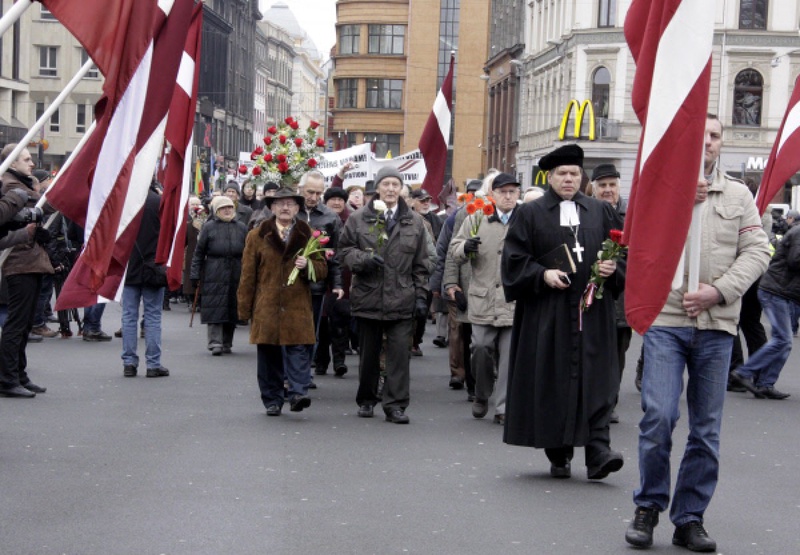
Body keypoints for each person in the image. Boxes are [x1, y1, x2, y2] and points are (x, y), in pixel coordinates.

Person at [625, 114, 770, 552]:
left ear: (721, 143)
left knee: (706, 430)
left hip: (716, 326)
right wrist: (679, 198)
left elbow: (758, 250)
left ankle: (689, 517)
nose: (707, 142)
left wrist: (719, 291)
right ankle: (648, 505)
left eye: (714, 135)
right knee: (659, 418)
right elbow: (635, 241)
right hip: (667, 323)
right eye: (700, 134)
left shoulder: (740, 194)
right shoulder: (657, 190)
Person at [501, 144, 625, 480]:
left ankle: (599, 451)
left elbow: (626, 254)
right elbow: (513, 260)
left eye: (574, 173)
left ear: (582, 177)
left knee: (598, 378)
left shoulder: (600, 211)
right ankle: (559, 450)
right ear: (550, 177)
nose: (568, 179)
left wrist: (614, 268)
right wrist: (542, 274)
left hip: (593, 311)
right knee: (553, 380)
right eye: (562, 173)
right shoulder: (531, 213)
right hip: (549, 313)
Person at [339, 166, 430, 424]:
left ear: (401, 189)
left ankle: (395, 405)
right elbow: (344, 251)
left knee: (400, 355)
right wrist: (363, 259)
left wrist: (421, 296)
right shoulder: (358, 218)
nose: (391, 189)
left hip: (402, 296)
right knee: (368, 354)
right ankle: (367, 399)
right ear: (377, 188)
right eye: (386, 184)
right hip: (369, 295)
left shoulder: (414, 221)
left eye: (395, 184)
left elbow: (422, 263)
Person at [237, 187, 327, 416]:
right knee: (269, 354)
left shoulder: (308, 233)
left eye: (290, 204)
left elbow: (322, 268)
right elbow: (248, 275)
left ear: (298, 208)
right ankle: (272, 400)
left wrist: (308, 267)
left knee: (298, 350)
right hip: (266, 305)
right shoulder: (257, 235)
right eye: (280, 203)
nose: (285, 207)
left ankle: (298, 393)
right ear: (272, 208)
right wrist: (244, 309)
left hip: (297, 306)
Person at [449, 172, 520, 425]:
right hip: (482, 298)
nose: (508, 196)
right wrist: (464, 247)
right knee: (479, 348)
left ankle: (502, 407)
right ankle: (481, 393)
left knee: (509, 356)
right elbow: (455, 248)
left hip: (512, 302)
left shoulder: (525, 220)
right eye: (503, 191)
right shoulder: (477, 217)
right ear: (493, 195)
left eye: (513, 191)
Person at [729, 212, 799, 400]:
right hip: (775, 291)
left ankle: (765, 383)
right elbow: (795, 261)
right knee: (783, 339)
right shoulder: (799, 233)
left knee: (783, 341)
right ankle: (744, 372)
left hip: (781, 291)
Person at [0, 144, 52, 398]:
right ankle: (8, 378)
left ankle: (18, 374)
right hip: (19, 260)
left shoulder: (23, 184)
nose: (32, 164)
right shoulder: (11, 186)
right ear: (12, 163)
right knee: (17, 323)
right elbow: (7, 217)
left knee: (25, 323)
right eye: (27, 159)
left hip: (28, 258)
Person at [439, 177, 487, 395]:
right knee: (462, 333)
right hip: (465, 284)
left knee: (484, 340)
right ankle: (465, 377)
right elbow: (450, 250)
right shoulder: (462, 216)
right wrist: (450, 284)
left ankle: (483, 378)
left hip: (492, 289)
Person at [590, 163, 630, 423]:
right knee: (591, 353)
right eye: (602, 186)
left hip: (623, 301)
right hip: (592, 300)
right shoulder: (586, 214)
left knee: (617, 355)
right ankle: (592, 401)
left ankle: (609, 402)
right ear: (594, 189)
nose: (607, 190)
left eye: (612, 185)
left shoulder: (632, 217)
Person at [297, 170, 344, 378]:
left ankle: (304, 372)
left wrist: (337, 284)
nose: (313, 197)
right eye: (309, 192)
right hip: (288, 284)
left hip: (316, 284)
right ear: (300, 190)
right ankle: (290, 373)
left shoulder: (330, 217)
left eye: (318, 193)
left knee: (310, 332)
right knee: (289, 329)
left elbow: (336, 254)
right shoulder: (290, 210)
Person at [120, 182, 170, 378]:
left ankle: (129, 363)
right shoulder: (158, 202)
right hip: (153, 266)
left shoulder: (125, 203)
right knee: (152, 316)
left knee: (129, 316)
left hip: (129, 265)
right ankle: (153, 364)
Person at [190, 196, 248, 355]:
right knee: (215, 307)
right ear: (217, 211)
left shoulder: (242, 227)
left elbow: (249, 253)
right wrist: (195, 274)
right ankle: (215, 342)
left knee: (232, 307)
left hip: (236, 271)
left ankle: (227, 342)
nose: (227, 210)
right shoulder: (209, 227)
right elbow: (198, 253)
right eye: (223, 208)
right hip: (214, 271)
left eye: (230, 207)